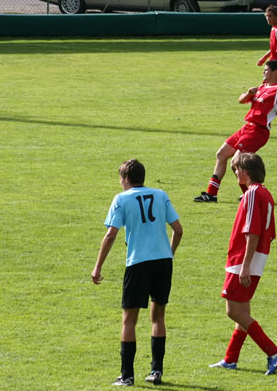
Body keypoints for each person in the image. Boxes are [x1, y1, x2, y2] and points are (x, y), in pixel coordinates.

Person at [91, 159, 184, 387]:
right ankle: (156, 371)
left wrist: (98, 266)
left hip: (138, 263)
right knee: (158, 316)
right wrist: (168, 254)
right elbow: (178, 230)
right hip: (163, 262)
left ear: (125, 179)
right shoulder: (161, 194)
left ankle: (127, 375)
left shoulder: (121, 199)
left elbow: (111, 235)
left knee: (129, 320)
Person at [208, 152, 277, 375]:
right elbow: (267, 232)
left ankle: (273, 351)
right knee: (243, 310)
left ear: (247, 172)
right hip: (255, 257)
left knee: (233, 310)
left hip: (243, 259)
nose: (235, 172)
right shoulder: (263, 193)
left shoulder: (252, 194)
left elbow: (252, 230)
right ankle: (230, 359)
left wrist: (245, 264)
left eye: (238, 170)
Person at [194, 60, 277, 203]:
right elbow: (241, 100)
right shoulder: (262, 87)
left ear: (275, 72)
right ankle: (211, 194)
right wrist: (248, 93)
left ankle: (251, 195)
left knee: (236, 162)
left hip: (258, 132)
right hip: (247, 128)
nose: (263, 72)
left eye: (266, 70)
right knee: (221, 154)